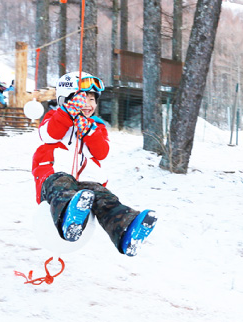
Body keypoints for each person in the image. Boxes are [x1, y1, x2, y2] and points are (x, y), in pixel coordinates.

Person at [32, 71, 157, 257]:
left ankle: (125, 229)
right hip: (53, 176)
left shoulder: (96, 126)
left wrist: (89, 131)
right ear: (66, 98)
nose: (89, 103)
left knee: (103, 198)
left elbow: (101, 152)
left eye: (93, 99)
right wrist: (67, 114)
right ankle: (69, 216)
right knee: (62, 185)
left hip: (85, 182)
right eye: (83, 98)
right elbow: (49, 134)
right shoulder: (54, 117)